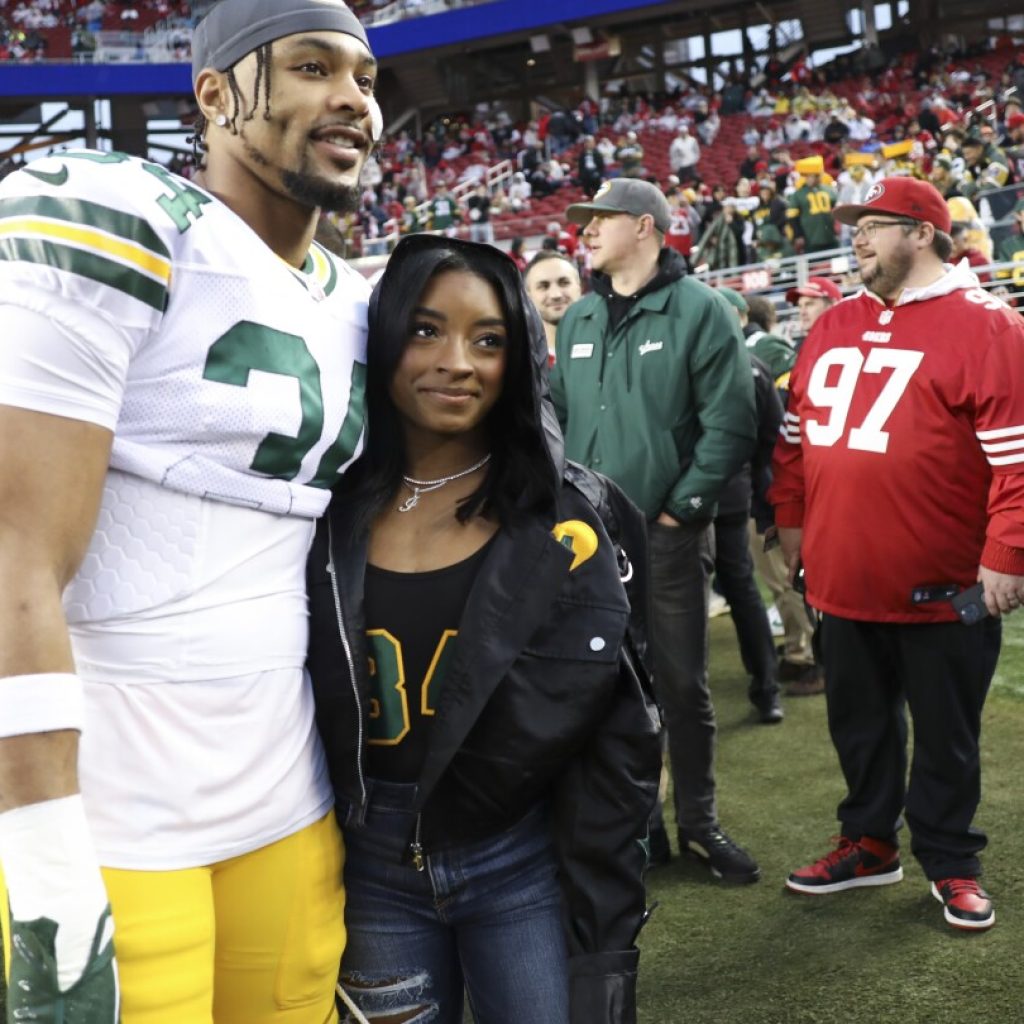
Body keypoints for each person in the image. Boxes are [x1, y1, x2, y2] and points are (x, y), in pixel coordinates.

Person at [0, 1, 380, 1020]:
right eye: (310, 67)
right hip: (118, 818)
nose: (351, 97)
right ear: (214, 94)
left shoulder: (357, 300)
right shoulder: (114, 218)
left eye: (365, 77)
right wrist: (45, 880)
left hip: (292, 809)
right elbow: (12, 561)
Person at [306, 234, 661, 1022]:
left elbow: (620, 735)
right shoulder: (320, 510)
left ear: (522, 358)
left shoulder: (575, 514)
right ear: (385, 337)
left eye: (489, 339)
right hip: (367, 865)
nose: (457, 361)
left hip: (521, 859)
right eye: (426, 330)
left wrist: (607, 908)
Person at [771, 177, 1024, 932]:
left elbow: (1018, 457)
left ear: (920, 232)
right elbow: (795, 436)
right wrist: (789, 520)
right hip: (843, 573)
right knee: (858, 720)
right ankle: (871, 843)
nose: (855, 238)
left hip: (943, 581)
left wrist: (1008, 550)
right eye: (854, 227)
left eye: (871, 225)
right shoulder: (832, 323)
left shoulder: (990, 325)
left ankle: (950, 860)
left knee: (947, 732)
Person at [551, 178, 760, 882]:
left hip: (666, 537)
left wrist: (682, 511)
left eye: (599, 219)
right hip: (587, 542)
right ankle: (639, 827)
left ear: (644, 227)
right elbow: (552, 415)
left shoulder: (699, 308)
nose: (584, 230)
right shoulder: (577, 318)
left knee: (679, 685)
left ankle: (698, 822)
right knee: (607, 688)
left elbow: (732, 420)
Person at [712, 288, 786, 724]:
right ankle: (767, 688)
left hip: (714, 501)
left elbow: (771, 443)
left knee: (731, 591)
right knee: (740, 590)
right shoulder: (752, 367)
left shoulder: (749, 368)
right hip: (731, 496)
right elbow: (770, 444)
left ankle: (767, 685)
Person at [524, 249, 582, 362]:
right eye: (544, 286)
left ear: (579, 288)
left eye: (564, 283)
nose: (556, 295)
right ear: (528, 297)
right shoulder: (520, 362)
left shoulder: (608, 346)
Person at [785, 275, 842, 347]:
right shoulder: (800, 349)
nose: (802, 312)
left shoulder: (849, 342)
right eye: (800, 306)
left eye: (809, 304)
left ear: (832, 306)